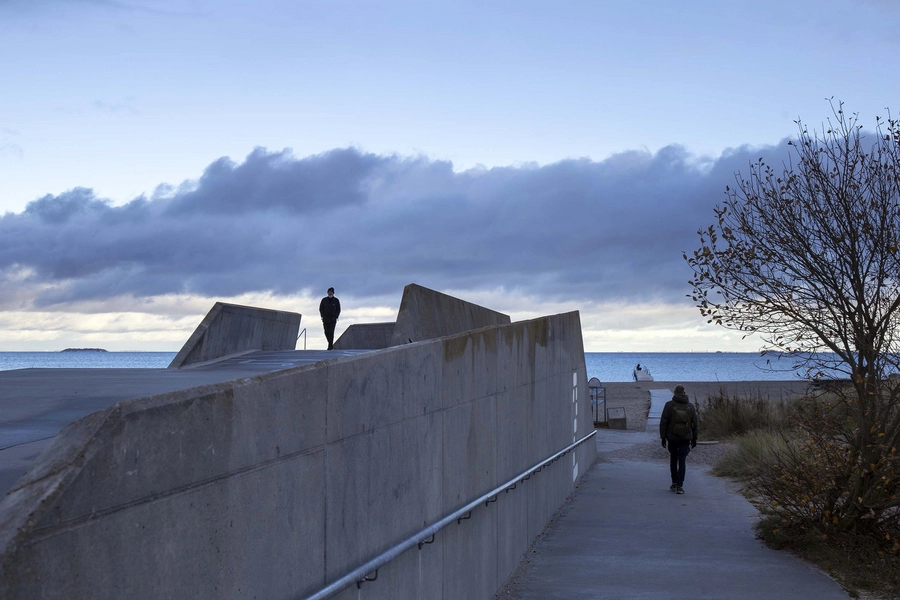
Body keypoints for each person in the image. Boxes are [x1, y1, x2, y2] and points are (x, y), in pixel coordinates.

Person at [659, 384, 698, 494]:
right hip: (685, 437)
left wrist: (663, 437)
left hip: (672, 437)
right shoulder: (690, 406)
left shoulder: (669, 405)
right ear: (684, 393)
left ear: (674, 393)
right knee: (682, 461)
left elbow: (663, 423)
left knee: (673, 459)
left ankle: (674, 483)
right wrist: (695, 438)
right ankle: (680, 486)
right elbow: (695, 424)